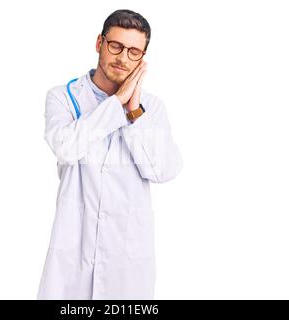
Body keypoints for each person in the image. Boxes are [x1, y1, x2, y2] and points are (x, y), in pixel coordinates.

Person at [37, 9, 183, 300]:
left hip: (126, 262)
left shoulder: (151, 109)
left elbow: (164, 170)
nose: (122, 58)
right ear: (99, 43)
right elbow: (66, 147)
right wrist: (117, 102)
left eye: (133, 52)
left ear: (142, 58)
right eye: (115, 46)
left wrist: (133, 112)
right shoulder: (64, 98)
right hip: (72, 256)